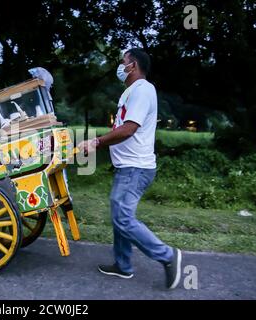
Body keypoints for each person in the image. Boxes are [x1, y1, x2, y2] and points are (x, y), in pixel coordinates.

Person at [78, 48, 182, 289]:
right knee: (119, 215)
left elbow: (129, 129)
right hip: (128, 167)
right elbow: (123, 127)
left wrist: (96, 142)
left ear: (132, 65)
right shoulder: (130, 92)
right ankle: (123, 266)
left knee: (123, 218)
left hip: (136, 168)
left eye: (122, 62)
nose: (120, 66)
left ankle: (168, 256)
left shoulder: (143, 90)